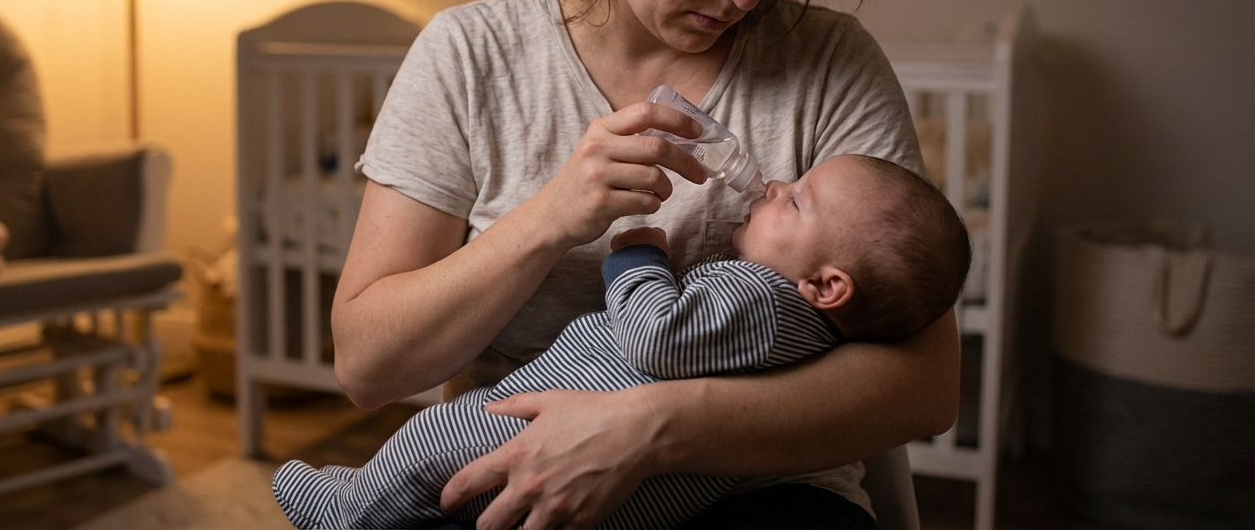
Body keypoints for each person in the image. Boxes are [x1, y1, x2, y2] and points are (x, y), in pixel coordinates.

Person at [323, 0, 960, 528]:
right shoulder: (470, 55)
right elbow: (368, 366)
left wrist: (648, 430)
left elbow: (928, 387)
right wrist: (551, 217)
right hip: (516, 484)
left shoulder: (828, 64)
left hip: (764, 493)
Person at [272, 154, 971, 530]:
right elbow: (365, 365)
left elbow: (658, 338)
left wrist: (638, 256)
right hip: (636, 499)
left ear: (826, 286)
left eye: (796, 201)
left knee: (436, 448)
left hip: (528, 422)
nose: (778, 182)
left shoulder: (757, 295)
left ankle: (351, 508)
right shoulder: (803, 330)